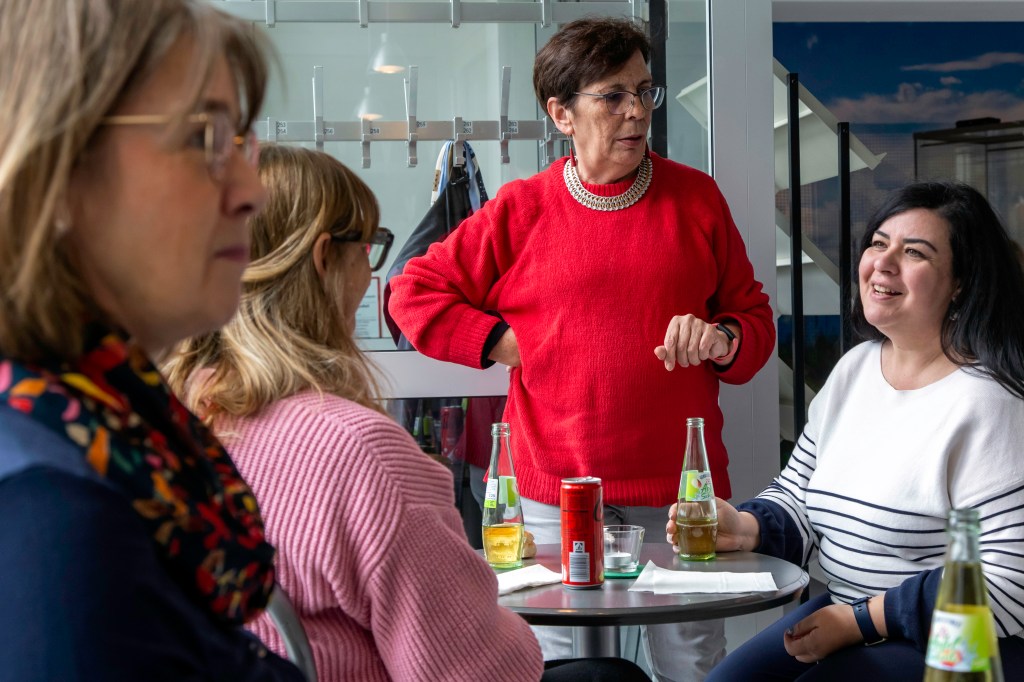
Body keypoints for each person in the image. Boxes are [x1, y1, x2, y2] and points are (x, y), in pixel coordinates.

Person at [166, 144, 651, 682]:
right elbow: (475, 674)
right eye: (370, 246)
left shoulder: (171, 424)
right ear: (325, 257)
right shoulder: (360, 453)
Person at [387, 16, 774, 679]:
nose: (637, 112)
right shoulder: (521, 209)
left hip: (679, 496)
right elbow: (411, 292)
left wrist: (722, 339)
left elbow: (754, 319)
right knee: (561, 670)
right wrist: (499, 341)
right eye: (613, 96)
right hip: (553, 498)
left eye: (644, 92)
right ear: (561, 114)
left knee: (693, 667)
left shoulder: (697, 198)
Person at [0, 1, 304, 679]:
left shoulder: (113, 425)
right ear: (53, 164)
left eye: (241, 143)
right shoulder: (50, 520)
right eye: (204, 137)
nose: (251, 190)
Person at [665, 181, 1024, 681]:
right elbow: (799, 495)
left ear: (961, 282)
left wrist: (861, 621)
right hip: (846, 609)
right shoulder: (855, 369)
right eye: (878, 243)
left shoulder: (990, 403)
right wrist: (745, 527)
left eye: (914, 252)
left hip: (951, 641)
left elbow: (1008, 584)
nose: (883, 263)